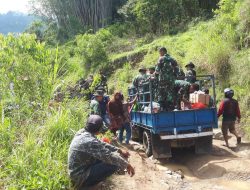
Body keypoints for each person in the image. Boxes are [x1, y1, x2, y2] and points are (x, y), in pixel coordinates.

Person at [68, 115, 135, 189]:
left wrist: (119, 150)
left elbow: (101, 144)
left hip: (77, 170)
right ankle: (87, 185)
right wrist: (127, 165)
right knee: (114, 163)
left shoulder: (82, 132)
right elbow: (110, 156)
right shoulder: (90, 141)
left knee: (111, 158)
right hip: (80, 177)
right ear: (99, 130)